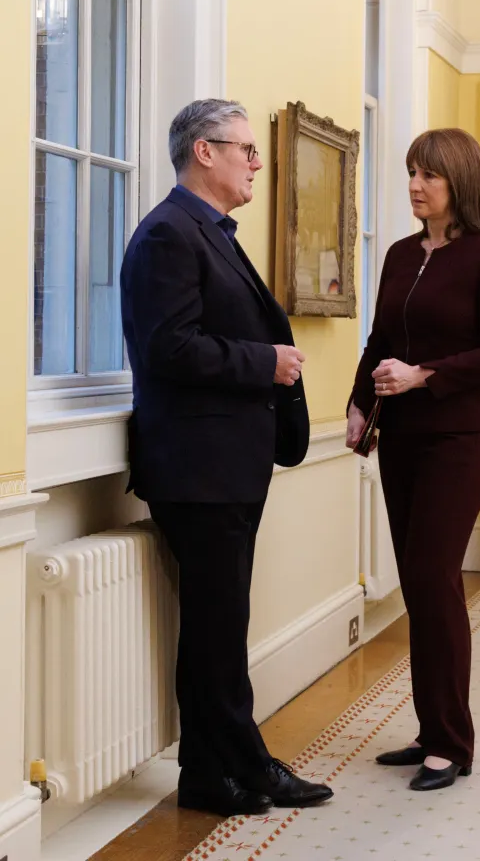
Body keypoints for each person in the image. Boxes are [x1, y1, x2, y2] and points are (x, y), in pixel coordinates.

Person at [120, 99, 333, 818]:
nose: (256, 162)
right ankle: (247, 763)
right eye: (245, 148)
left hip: (223, 464)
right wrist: (264, 362)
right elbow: (168, 348)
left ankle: (208, 778)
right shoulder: (168, 234)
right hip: (198, 469)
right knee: (217, 631)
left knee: (218, 628)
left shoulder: (206, 231)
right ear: (203, 152)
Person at [346, 128, 480, 792]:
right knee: (419, 585)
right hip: (403, 437)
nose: (415, 185)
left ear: (460, 182)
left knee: (433, 576)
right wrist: (359, 403)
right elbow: (379, 340)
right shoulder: (399, 254)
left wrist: (422, 375)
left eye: (429, 175)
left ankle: (452, 742)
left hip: (460, 439)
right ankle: (430, 729)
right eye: (412, 173)